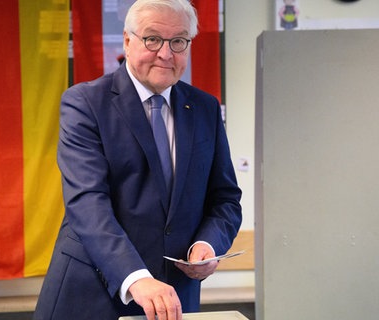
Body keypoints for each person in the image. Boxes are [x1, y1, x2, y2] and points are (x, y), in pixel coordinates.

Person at [34, 0, 242, 319]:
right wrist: (137, 278)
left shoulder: (205, 108)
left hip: (174, 296)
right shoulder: (85, 103)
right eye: (152, 39)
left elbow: (225, 199)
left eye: (178, 41)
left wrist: (208, 244)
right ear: (128, 41)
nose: (165, 53)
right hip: (91, 294)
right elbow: (87, 203)